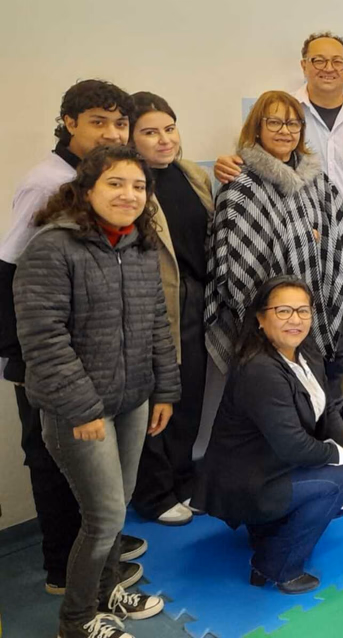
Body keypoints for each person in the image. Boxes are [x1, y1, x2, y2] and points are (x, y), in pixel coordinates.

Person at [15, 145, 180, 638]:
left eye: (138, 186)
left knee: (117, 508)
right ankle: (77, 619)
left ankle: (108, 591)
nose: (129, 194)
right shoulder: (52, 246)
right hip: (78, 412)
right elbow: (43, 338)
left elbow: (156, 322)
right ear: (86, 190)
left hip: (132, 402)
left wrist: (164, 390)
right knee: (104, 517)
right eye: (115, 183)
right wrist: (82, 407)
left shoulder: (140, 245)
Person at [0, 80, 147, 596]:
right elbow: (12, 270)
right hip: (46, 358)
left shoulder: (109, 188)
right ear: (69, 123)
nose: (112, 133)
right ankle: (63, 569)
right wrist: (22, 359)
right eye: (97, 122)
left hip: (99, 361)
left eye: (120, 123)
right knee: (51, 459)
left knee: (102, 482)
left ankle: (96, 554)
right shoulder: (48, 183)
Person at [199, 91, 343, 460]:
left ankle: (325, 458)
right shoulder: (241, 184)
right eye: (274, 122)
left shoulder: (315, 179)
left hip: (313, 307)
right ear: (257, 127)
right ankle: (281, 467)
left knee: (320, 392)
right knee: (275, 403)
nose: (285, 130)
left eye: (293, 123)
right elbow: (235, 264)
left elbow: (336, 233)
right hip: (266, 319)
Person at [196, 277, 343, 595]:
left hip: (276, 466)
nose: (296, 319)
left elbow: (329, 411)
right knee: (340, 482)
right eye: (283, 311)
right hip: (248, 479)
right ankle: (275, 565)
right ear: (260, 319)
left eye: (303, 311)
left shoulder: (306, 352)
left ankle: (267, 530)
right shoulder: (260, 369)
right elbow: (293, 445)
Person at [213, 32, 343, 277]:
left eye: (337, 61)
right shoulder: (282, 112)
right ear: (304, 65)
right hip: (289, 252)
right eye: (319, 60)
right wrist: (229, 163)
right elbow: (253, 156)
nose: (329, 68)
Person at [126, 92, 213, 527]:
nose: (164, 140)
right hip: (154, 305)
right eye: (150, 132)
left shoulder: (192, 174)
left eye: (170, 128)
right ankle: (154, 493)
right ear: (130, 138)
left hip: (196, 298)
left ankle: (182, 479)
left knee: (189, 394)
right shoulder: (130, 184)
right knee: (155, 400)